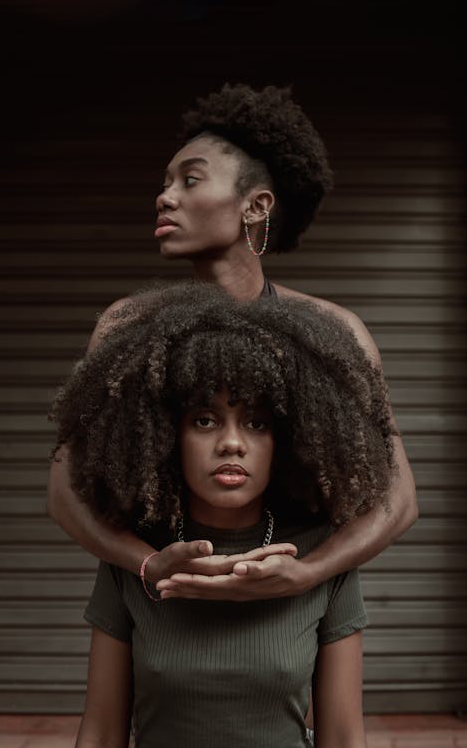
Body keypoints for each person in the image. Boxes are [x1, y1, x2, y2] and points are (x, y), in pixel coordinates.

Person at [47, 82, 417, 601]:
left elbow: (398, 501)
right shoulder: (125, 326)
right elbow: (64, 494)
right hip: (162, 598)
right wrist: (149, 564)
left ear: (255, 206)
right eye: (165, 181)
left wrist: (308, 575)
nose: (164, 196)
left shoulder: (334, 332)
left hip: (296, 611)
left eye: (190, 180)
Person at [49, 281, 396, 748]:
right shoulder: (135, 560)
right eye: (205, 420)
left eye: (256, 423)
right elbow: (100, 733)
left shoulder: (318, 558)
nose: (232, 443)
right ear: (167, 435)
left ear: (287, 442)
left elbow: (344, 738)